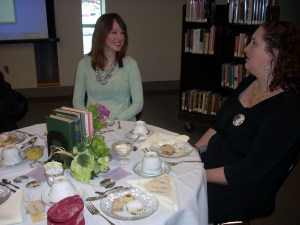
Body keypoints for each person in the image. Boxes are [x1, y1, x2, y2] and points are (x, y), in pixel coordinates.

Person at [194, 21, 300, 222]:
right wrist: (191, 153)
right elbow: (218, 127)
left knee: (175, 198)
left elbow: (249, 171)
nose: (245, 48)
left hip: (239, 188)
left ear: (274, 54)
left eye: (253, 43)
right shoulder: (248, 83)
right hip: (212, 169)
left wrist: (198, 174)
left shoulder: (287, 110)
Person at [73, 13, 143, 121]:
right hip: (93, 125)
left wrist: (115, 120)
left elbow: (138, 103)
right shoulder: (84, 64)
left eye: (122, 33)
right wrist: (90, 119)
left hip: (122, 124)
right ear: (101, 34)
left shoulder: (130, 64)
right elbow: (77, 101)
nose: (120, 37)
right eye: (114, 32)